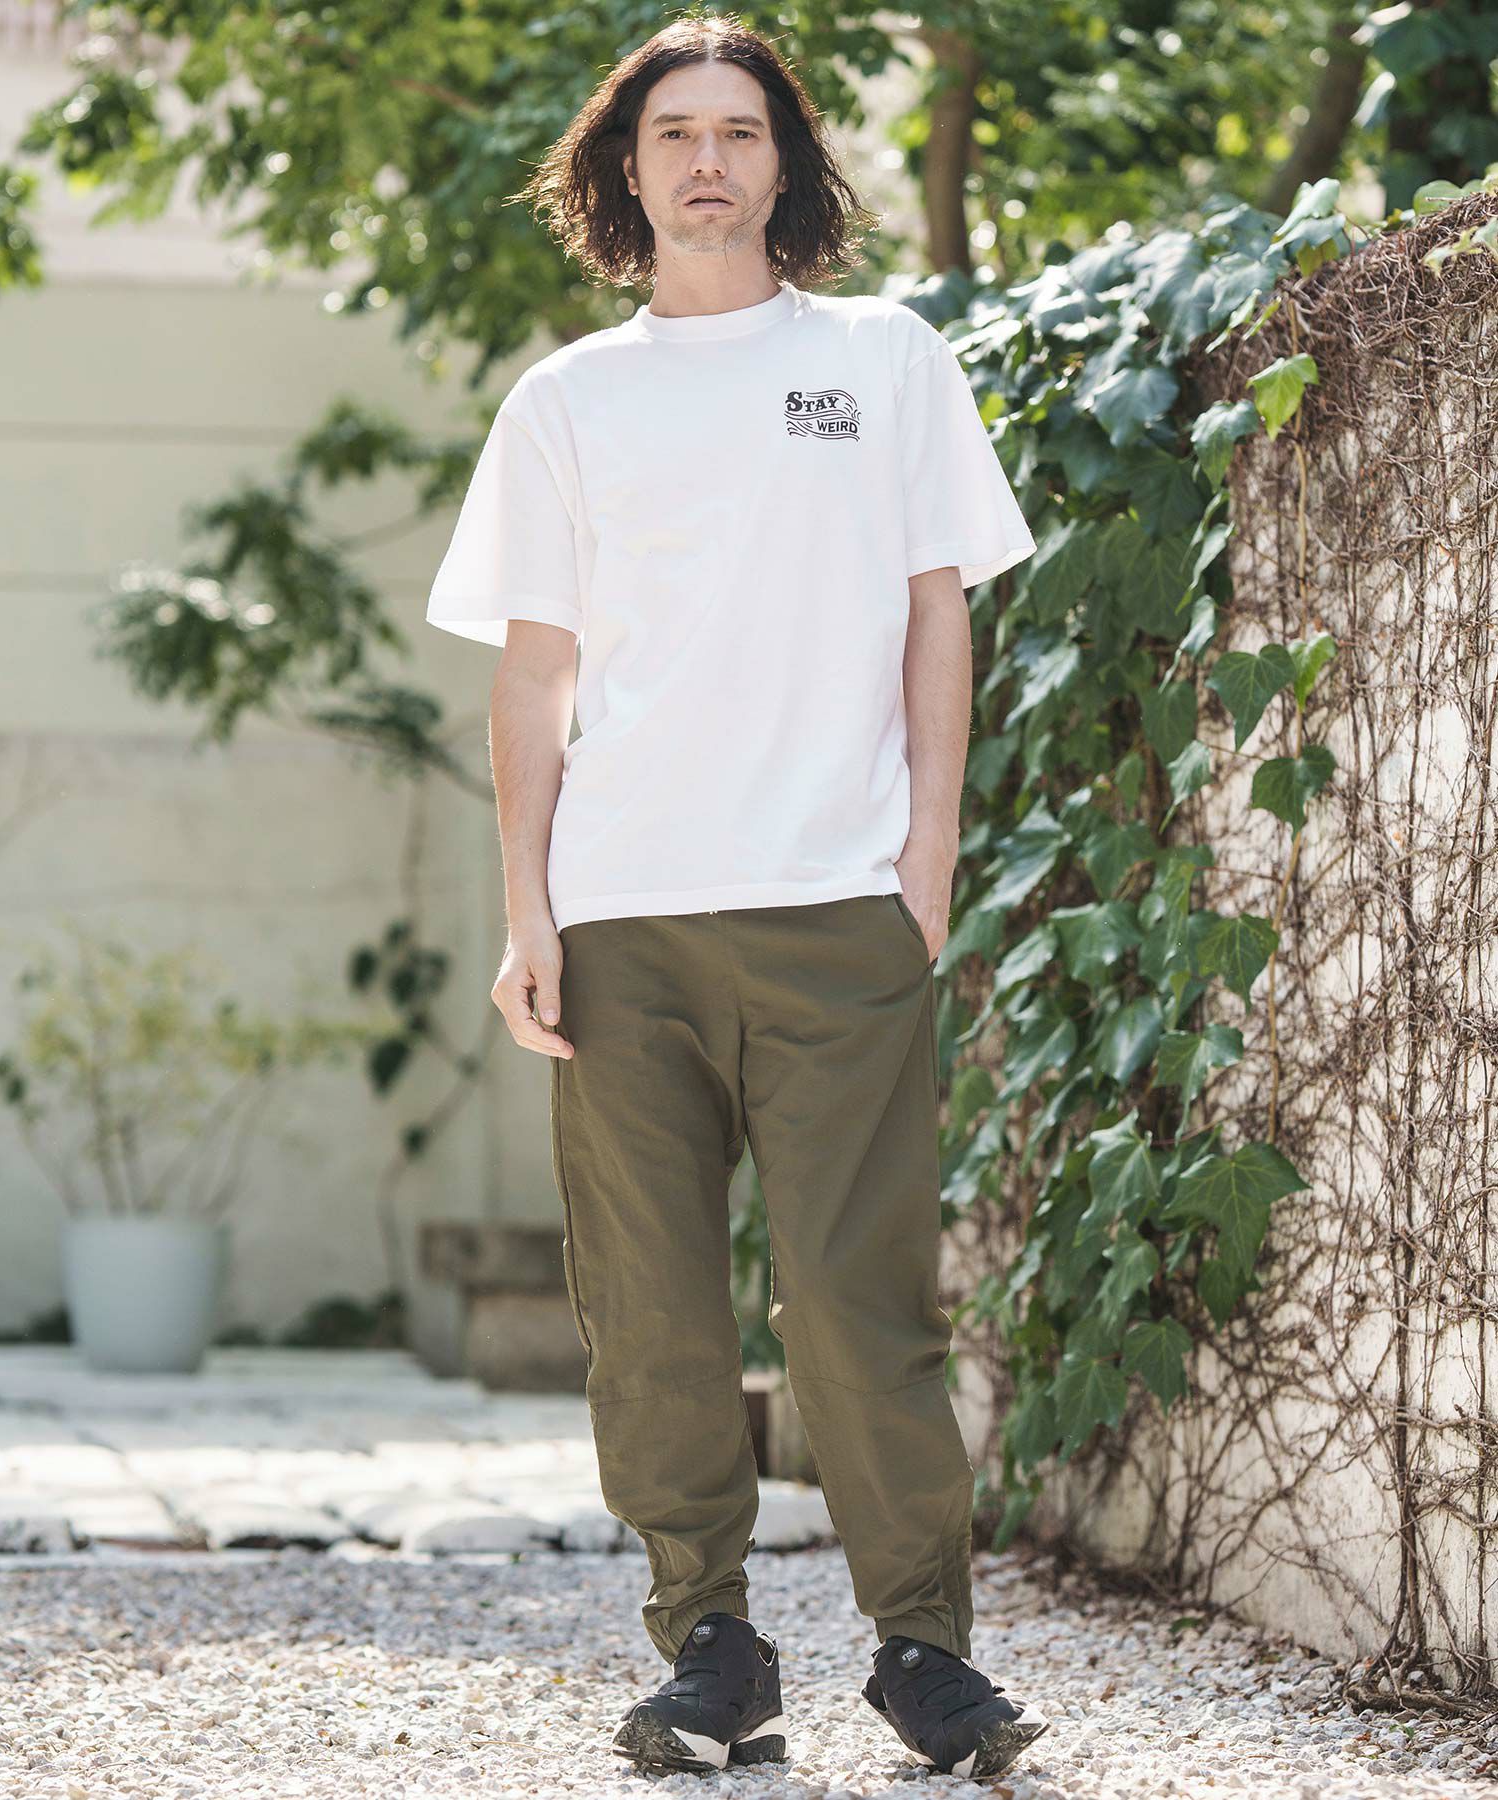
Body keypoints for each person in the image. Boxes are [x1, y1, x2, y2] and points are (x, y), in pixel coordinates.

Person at [425, 13, 1050, 1783]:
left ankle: (925, 1654)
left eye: (742, 131)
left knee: (857, 1303)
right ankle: (710, 1644)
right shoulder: (568, 400)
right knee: (652, 1310)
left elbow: (937, 611)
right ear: (625, 172)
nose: (709, 160)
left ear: (787, 165)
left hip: (839, 904)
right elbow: (535, 674)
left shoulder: (885, 360)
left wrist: (927, 854)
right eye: (676, 133)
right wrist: (530, 909)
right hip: (623, 918)